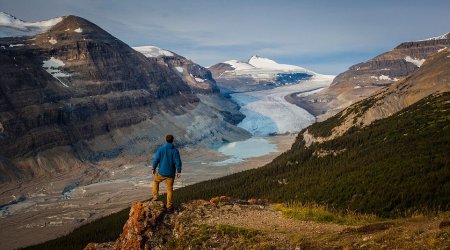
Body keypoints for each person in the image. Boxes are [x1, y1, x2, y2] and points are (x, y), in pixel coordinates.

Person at [151, 134, 182, 212]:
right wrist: (178, 171)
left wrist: (153, 168)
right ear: (172, 140)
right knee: (169, 189)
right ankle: (169, 206)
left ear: (166, 140)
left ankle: (155, 197)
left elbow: (156, 159)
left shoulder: (161, 149)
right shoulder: (175, 150)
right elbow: (178, 161)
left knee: (155, 181)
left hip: (161, 172)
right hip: (171, 173)